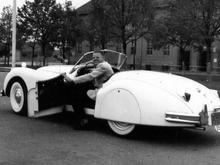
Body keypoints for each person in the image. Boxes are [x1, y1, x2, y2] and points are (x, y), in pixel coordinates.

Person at [63, 51, 114, 129]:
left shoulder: (103, 66)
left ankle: (83, 121)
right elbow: (93, 73)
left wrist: (73, 80)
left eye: (97, 57)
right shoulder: (103, 64)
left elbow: (90, 76)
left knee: (75, 96)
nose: (95, 59)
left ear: (103, 58)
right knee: (77, 88)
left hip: (100, 89)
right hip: (102, 86)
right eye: (93, 57)